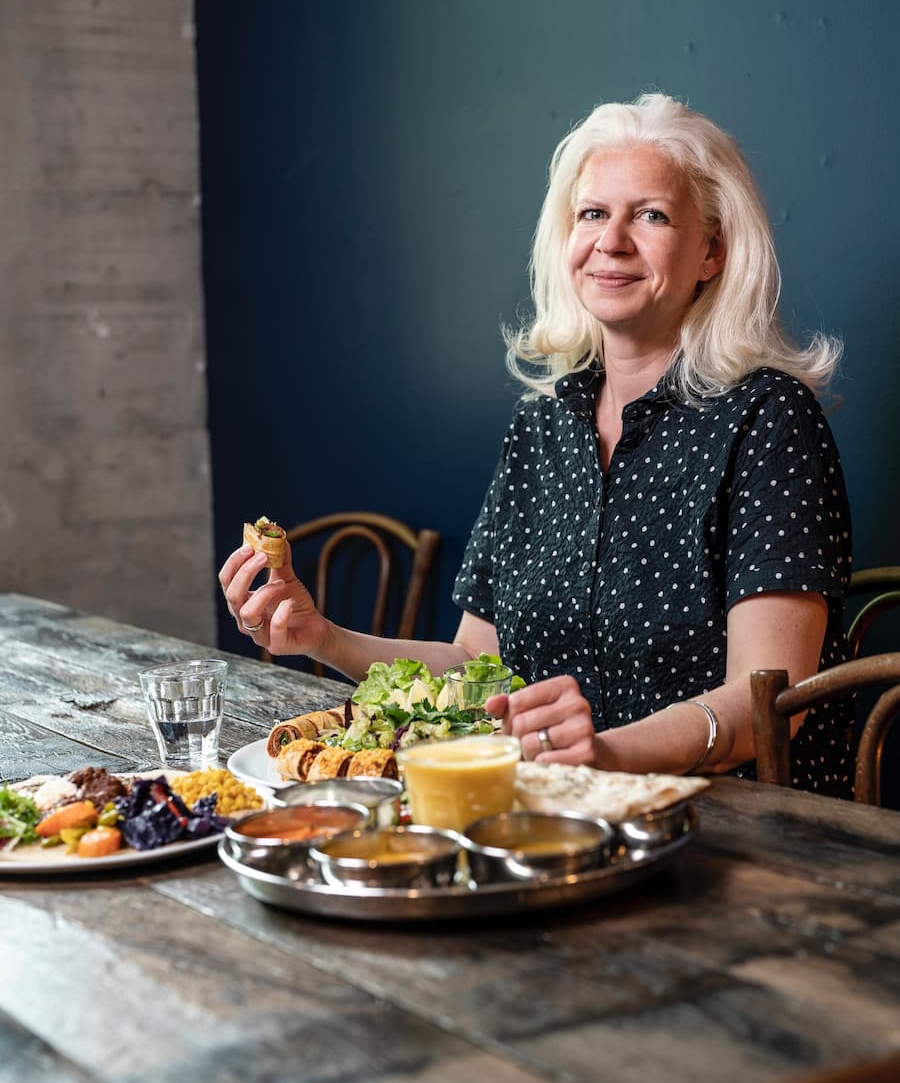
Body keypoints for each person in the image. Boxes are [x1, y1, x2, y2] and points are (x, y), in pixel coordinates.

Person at [219, 93, 852, 793]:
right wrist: (323, 638)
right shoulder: (541, 430)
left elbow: (772, 703)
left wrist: (604, 754)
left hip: (745, 832)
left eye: (651, 215)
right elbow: (474, 667)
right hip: (559, 811)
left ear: (712, 252)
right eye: (592, 214)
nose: (611, 240)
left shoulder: (768, 418)